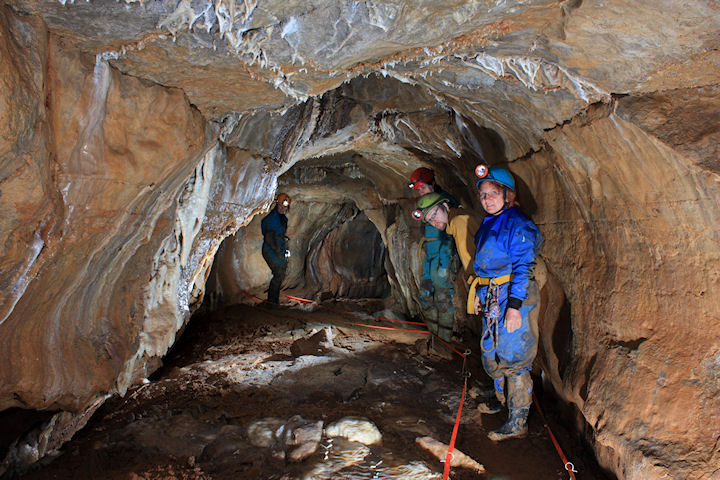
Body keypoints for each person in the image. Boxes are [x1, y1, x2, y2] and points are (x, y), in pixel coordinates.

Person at [471, 166, 543, 441]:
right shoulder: (488, 222)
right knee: (491, 350)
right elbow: (485, 267)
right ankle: (501, 398)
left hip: (514, 295)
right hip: (492, 295)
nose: (487, 199)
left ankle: (518, 420)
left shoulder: (517, 223)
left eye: (493, 194)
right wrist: (480, 297)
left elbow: (524, 266)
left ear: (507, 195)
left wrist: (514, 306)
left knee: (514, 356)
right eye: (483, 195)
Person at [408, 168, 459, 341]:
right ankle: (433, 336)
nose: (421, 192)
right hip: (431, 253)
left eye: (423, 188)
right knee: (424, 294)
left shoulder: (445, 201)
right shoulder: (423, 207)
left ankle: (444, 340)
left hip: (445, 251)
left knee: (442, 296)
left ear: (433, 184)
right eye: (419, 190)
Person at [261, 193, 291, 305]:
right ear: (277, 205)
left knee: (281, 273)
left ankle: (274, 300)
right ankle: (272, 302)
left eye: (285, 207)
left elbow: (280, 234)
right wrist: (277, 251)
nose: (283, 209)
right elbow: (269, 237)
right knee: (278, 274)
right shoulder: (272, 218)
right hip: (271, 250)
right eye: (281, 206)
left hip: (278, 249)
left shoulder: (282, 218)